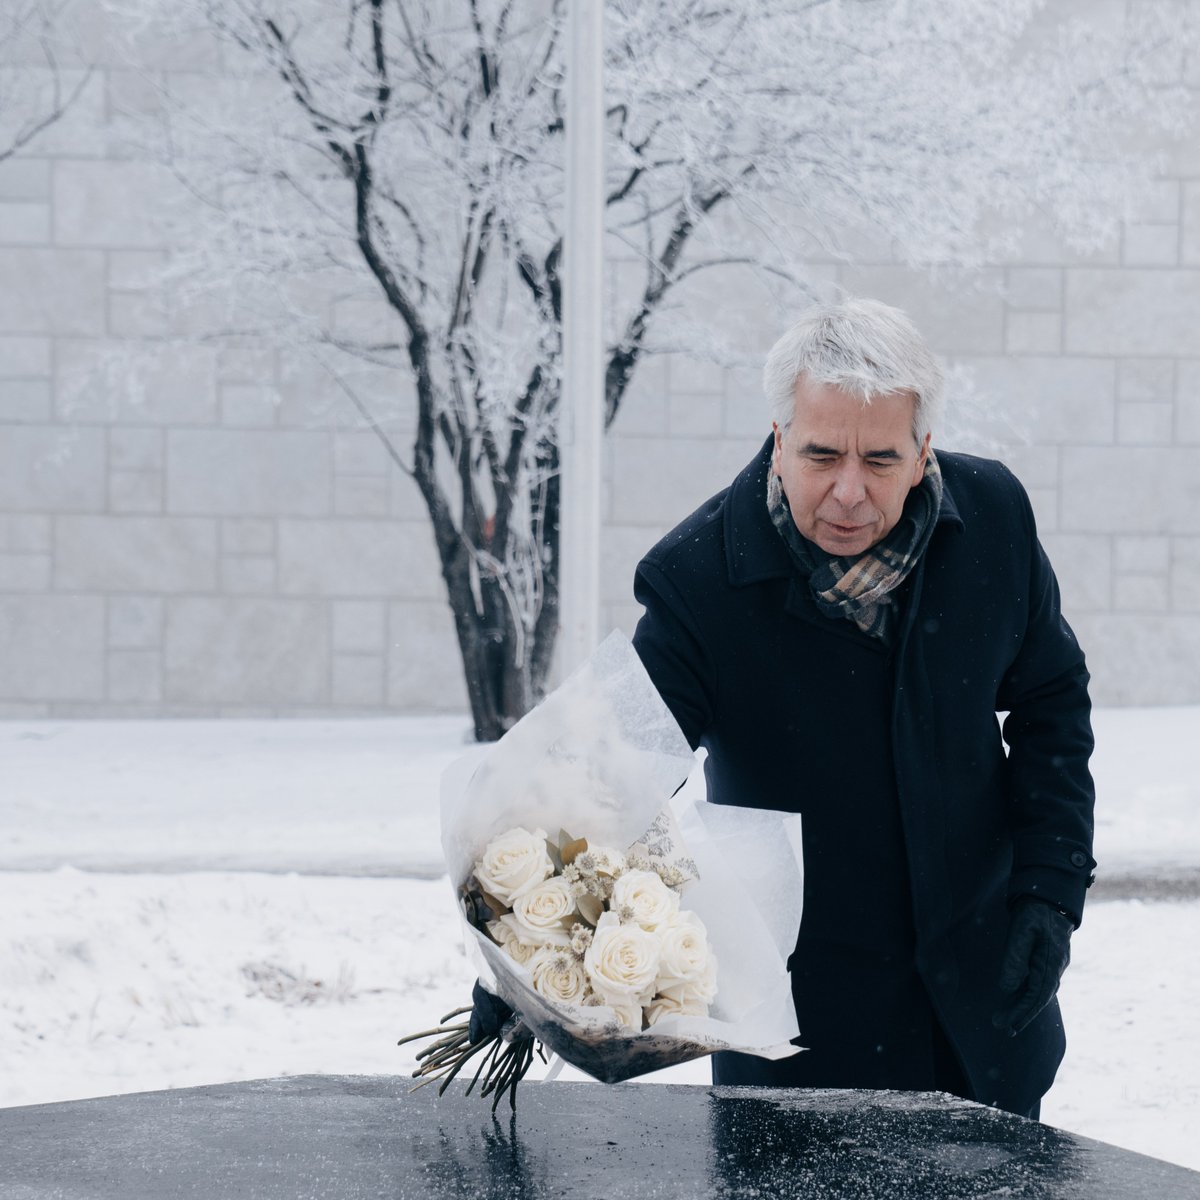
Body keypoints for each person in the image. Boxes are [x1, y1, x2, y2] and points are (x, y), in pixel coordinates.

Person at [631, 298, 1096, 1118]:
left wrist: (1050, 892)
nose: (848, 491)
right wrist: (532, 961)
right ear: (779, 442)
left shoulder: (992, 520)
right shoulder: (698, 583)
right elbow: (616, 777)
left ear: (922, 453)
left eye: (880, 460)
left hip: (982, 1017)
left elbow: (1051, 701)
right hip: (801, 1044)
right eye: (821, 454)